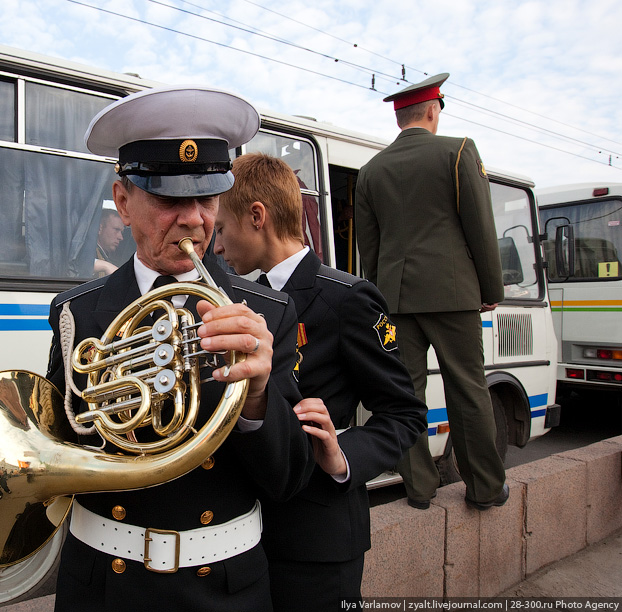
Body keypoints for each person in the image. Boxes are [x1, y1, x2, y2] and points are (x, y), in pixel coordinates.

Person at [46, 86, 314, 612]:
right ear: (123, 202)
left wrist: (258, 398)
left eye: (208, 198)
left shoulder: (268, 313)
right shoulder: (77, 311)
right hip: (103, 583)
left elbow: (287, 480)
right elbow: (63, 440)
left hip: (224, 587)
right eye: (170, 200)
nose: (194, 220)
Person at [214, 152, 427, 610]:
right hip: (245, 534)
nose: (216, 246)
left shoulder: (347, 299)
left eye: (221, 228)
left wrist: (340, 455)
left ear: (256, 217)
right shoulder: (235, 300)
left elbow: (405, 414)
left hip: (317, 541)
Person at [354, 73, 510, 511]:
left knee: (405, 394)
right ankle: (483, 487)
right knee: (468, 388)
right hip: (453, 293)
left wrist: (382, 298)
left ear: (399, 116)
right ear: (432, 110)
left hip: (396, 299)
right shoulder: (458, 151)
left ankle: (419, 489)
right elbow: (480, 226)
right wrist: (491, 287)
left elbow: (371, 249)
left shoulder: (371, 172)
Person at [94, 207, 125, 276]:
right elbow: (80, 264)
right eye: (116, 230)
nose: (121, 237)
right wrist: (105, 266)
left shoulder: (108, 257)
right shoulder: (86, 252)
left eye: (121, 232)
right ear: (100, 228)